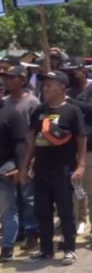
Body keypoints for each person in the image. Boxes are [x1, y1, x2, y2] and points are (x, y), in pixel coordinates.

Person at [20, 71, 86, 265]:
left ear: (62, 87)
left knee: (65, 211)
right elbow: (31, 141)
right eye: (44, 84)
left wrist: (81, 165)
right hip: (41, 169)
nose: (45, 87)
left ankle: (69, 248)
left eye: (50, 84)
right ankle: (46, 250)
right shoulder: (39, 111)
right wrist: (25, 167)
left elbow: (81, 138)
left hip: (63, 169)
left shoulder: (72, 111)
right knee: (42, 211)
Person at [63, 59, 92, 245]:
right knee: (74, 190)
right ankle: (80, 220)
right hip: (71, 148)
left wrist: (70, 102)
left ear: (83, 71)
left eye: (74, 71)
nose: (72, 75)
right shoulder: (69, 92)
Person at [1, 65, 41, 251]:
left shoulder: (32, 102)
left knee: (28, 196)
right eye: (6, 78)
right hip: (10, 156)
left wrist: (30, 160)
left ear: (23, 80)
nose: (7, 81)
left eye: (12, 78)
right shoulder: (5, 102)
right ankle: (20, 230)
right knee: (13, 197)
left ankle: (33, 231)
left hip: (27, 153)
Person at [0, 94, 28, 262]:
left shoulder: (11, 113)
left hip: (5, 165)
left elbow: (20, 144)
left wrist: (19, 168)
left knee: (7, 208)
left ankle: (7, 247)